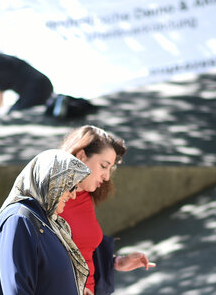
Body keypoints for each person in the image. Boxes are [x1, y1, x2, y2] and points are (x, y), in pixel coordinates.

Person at [59, 125, 155, 295]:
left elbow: (83, 250)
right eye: (104, 166)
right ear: (81, 155)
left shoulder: (85, 195)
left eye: (110, 168)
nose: (107, 176)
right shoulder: (46, 199)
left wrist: (115, 262)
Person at [0, 149, 92, 295]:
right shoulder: (19, 219)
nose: (73, 195)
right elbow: (16, 289)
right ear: (52, 180)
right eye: (71, 186)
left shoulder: (45, 221)